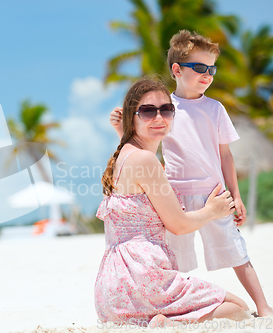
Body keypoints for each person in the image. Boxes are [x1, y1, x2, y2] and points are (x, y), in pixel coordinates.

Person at [109, 30, 273, 317]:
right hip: (176, 197)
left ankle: (263, 306)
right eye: (200, 68)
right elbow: (145, 149)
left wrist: (236, 195)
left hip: (215, 194)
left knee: (236, 251)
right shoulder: (166, 110)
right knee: (176, 259)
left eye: (212, 69)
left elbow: (225, 156)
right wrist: (123, 130)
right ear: (176, 70)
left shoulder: (216, 108)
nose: (207, 75)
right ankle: (174, 310)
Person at [95, 78, 249, 327]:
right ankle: (170, 325)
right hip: (144, 278)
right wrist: (212, 210)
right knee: (238, 308)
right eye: (147, 111)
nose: (159, 117)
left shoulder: (125, 157)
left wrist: (123, 131)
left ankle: (165, 321)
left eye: (166, 110)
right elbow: (178, 225)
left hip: (112, 293)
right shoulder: (145, 160)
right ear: (131, 118)